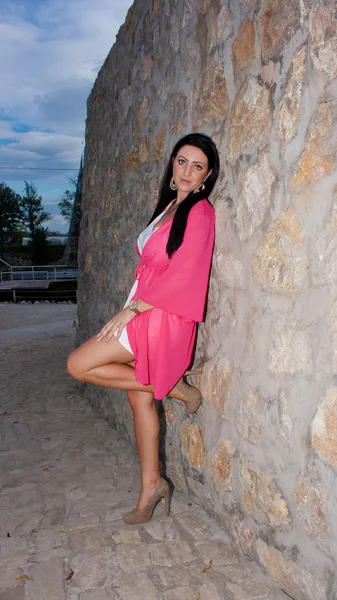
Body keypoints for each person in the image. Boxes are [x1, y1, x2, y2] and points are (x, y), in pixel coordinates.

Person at [67, 132, 220, 524]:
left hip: (160, 315)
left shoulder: (201, 212)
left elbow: (186, 274)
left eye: (196, 166)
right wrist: (131, 306)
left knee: (78, 365)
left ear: (206, 176)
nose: (186, 171)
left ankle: (172, 386)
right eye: (181, 161)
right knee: (139, 400)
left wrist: (131, 311)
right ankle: (152, 485)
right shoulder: (169, 206)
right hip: (143, 307)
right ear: (173, 164)